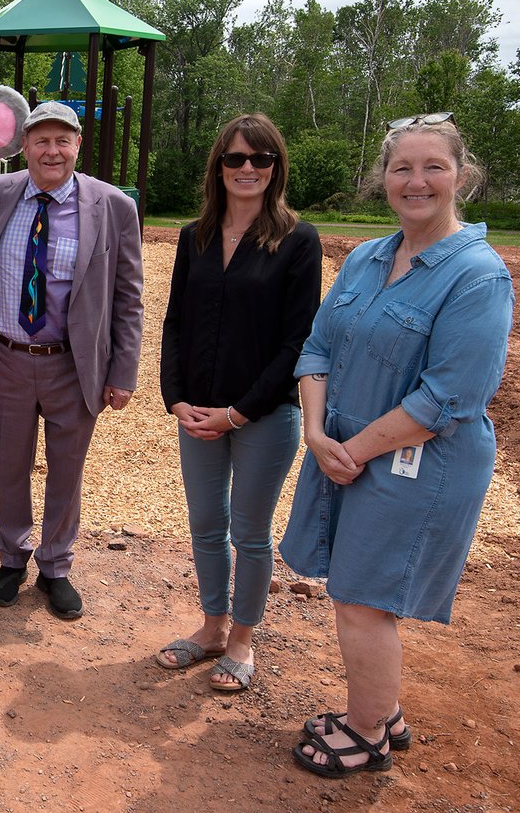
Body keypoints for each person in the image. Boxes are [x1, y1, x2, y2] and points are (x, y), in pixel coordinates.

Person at [281, 113, 513, 778]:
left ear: (461, 175)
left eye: (432, 166)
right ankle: (382, 707)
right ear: (383, 178)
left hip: (421, 463)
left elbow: (448, 398)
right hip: (346, 445)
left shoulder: (477, 275)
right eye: (402, 168)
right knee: (362, 589)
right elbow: (319, 347)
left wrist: (350, 449)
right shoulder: (366, 257)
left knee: (362, 596)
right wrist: (320, 432)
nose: (417, 181)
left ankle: (366, 730)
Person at [156, 114, 322, 690]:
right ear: (218, 167)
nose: (247, 168)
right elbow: (175, 323)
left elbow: (298, 341)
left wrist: (239, 411)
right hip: (197, 412)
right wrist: (175, 399)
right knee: (205, 524)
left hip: (265, 415)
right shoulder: (194, 235)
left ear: (276, 167)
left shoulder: (298, 240)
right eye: (235, 158)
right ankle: (211, 627)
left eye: (260, 159)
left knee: (249, 532)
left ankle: (243, 641)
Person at [0, 102, 144, 620]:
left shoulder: (112, 207)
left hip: (73, 363)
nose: (52, 150)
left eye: (62, 141)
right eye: (41, 141)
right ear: (24, 147)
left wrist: (123, 372)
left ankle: (55, 566)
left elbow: (128, 296)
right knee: (8, 463)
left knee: (66, 470)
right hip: (5, 355)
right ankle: (12, 556)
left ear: (77, 146)